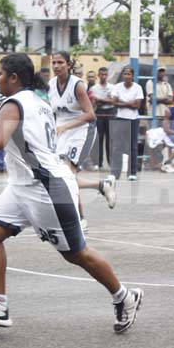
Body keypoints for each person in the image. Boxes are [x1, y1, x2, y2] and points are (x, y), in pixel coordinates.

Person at [0, 53, 143, 332]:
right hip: (23, 186)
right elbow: (10, 127)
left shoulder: (14, 103)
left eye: (0, 74)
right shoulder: (36, 100)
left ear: (13, 78)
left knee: (76, 253)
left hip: (46, 189)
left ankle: (124, 296)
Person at [49, 52, 116, 230]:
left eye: (60, 62)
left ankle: (80, 220)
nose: (56, 66)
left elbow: (90, 114)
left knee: (68, 177)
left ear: (69, 65)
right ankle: (101, 185)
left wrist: (66, 126)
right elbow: (52, 111)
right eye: (54, 62)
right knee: (62, 177)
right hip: (61, 131)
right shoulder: (51, 84)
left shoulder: (77, 85)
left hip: (81, 130)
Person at [108, 66, 144, 181]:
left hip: (133, 119)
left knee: (133, 146)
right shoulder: (117, 87)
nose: (126, 76)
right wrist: (129, 103)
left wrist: (121, 102)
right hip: (120, 118)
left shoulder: (138, 88)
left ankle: (132, 172)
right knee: (117, 146)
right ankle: (115, 173)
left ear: (132, 76)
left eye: (129, 74)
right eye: (125, 74)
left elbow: (137, 105)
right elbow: (114, 103)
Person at [88, 66, 114, 169]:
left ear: (107, 75)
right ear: (98, 76)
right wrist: (105, 100)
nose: (103, 76)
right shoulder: (94, 88)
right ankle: (98, 163)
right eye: (101, 74)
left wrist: (101, 100)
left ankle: (111, 163)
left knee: (110, 139)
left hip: (110, 112)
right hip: (99, 113)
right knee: (99, 138)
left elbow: (113, 101)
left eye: (105, 74)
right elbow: (94, 102)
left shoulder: (112, 87)